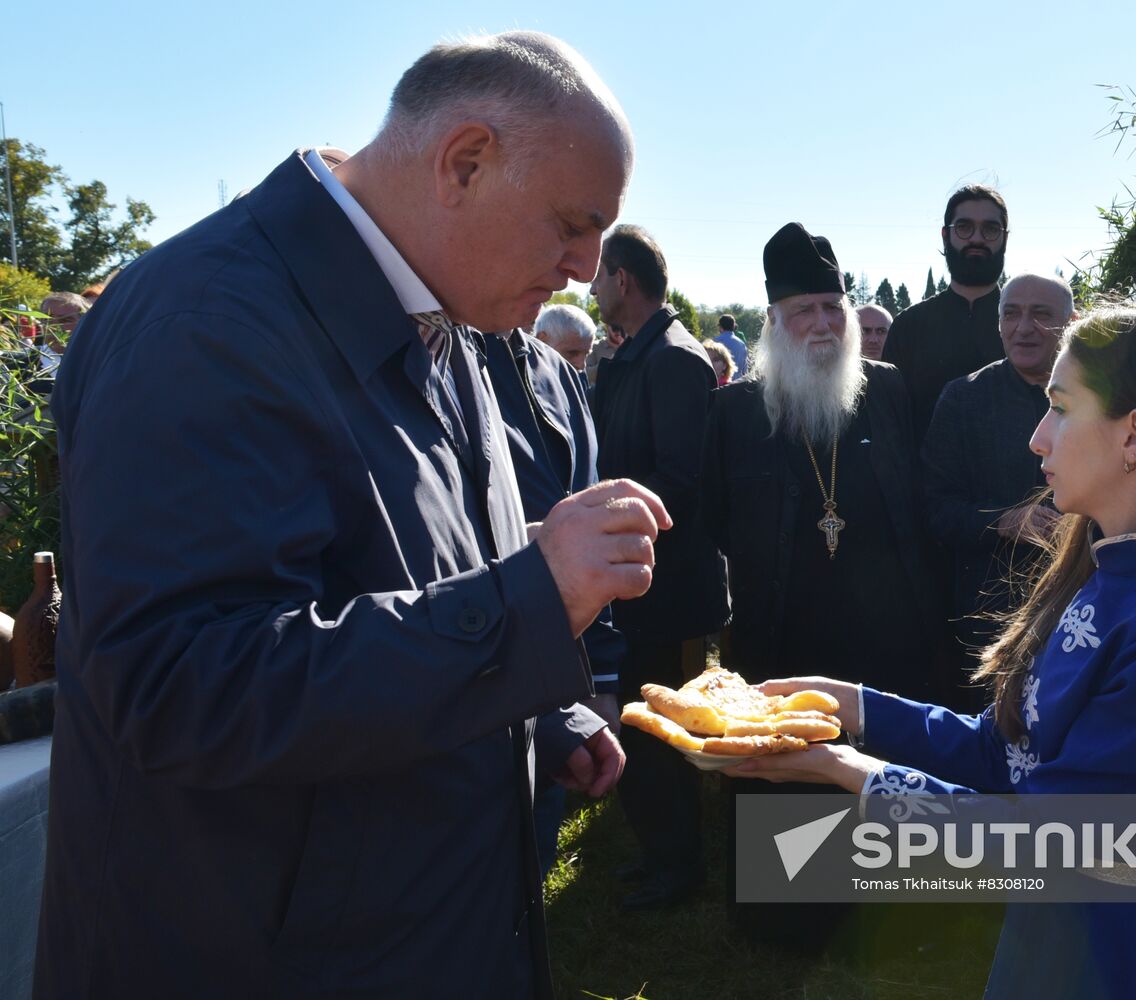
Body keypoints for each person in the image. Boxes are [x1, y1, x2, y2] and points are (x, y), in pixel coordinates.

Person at [37, 32, 668, 999]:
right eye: (573, 225)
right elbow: (185, 687)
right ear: (465, 162)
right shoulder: (207, 325)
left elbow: (409, 576)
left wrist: (533, 713)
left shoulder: (445, 314)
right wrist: (529, 604)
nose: (588, 267)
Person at [733, 304, 1136, 1000]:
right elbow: (1008, 754)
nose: (1037, 438)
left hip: (1105, 957)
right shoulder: (1104, 576)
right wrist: (851, 705)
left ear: (1133, 433)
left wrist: (848, 770)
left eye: (1059, 408)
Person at [701, 222, 935, 699]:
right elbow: (714, 522)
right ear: (773, 320)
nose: (823, 322)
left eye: (833, 306)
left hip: (887, 641)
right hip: (781, 639)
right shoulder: (734, 410)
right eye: (804, 309)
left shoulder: (887, 388)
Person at [589, 224, 730, 909]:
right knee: (643, 728)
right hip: (634, 578)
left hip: (667, 585)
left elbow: (681, 481)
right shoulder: (633, 356)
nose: (589, 289)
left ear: (623, 279)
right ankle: (657, 854)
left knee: (665, 729)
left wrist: (603, 515)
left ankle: (680, 868)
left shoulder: (673, 359)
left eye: (597, 275)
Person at [483, 326, 628, 873]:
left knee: (534, 858)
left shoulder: (557, 373)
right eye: (563, 232)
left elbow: (593, 536)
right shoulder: (424, 357)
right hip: (462, 680)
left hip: (555, 685)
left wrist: (602, 681)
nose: (580, 266)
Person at [922, 274, 1076, 709]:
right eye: (1011, 313)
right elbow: (935, 509)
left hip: (1081, 610)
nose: (1023, 327)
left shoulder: (1102, 399)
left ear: (1071, 322)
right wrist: (1004, 521)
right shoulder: (962, 399)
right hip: (987, 619)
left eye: (1040, 314)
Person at [883, 184, 1008, 439]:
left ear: (1005, 238)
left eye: (990, 229)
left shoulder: (1029, 326)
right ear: (945, 236)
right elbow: (890, 423)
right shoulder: (909, 326)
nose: (976, 238)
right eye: (964, 227)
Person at [533, 302, 596, 373]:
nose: (582, 365)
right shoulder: (521, 377)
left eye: (586, 354)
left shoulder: (579, 378)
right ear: (542, 341)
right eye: (572, 353)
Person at [36, 290, 89, 372]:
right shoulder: (19, 363)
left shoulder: (98, 362)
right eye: (47, 320)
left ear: (84, 323)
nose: (54, 327)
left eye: (65, 320)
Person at [713, 312, 749, 379]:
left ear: (720, 327)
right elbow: (745, 370)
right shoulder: (742, 344)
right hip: (737, 384)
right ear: (733, 326)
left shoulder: (714, 342)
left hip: (719, 384)